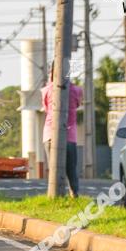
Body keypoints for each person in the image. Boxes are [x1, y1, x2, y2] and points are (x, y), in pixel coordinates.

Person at [42, 61, 84, 197]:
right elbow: (77, 104)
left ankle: (55, 195)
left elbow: (46, 108)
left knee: (54, 168)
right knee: (71, 168)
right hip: (70, 134)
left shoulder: (46, 90)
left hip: (49, 134)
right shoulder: (77, 90)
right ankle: (74, 193)